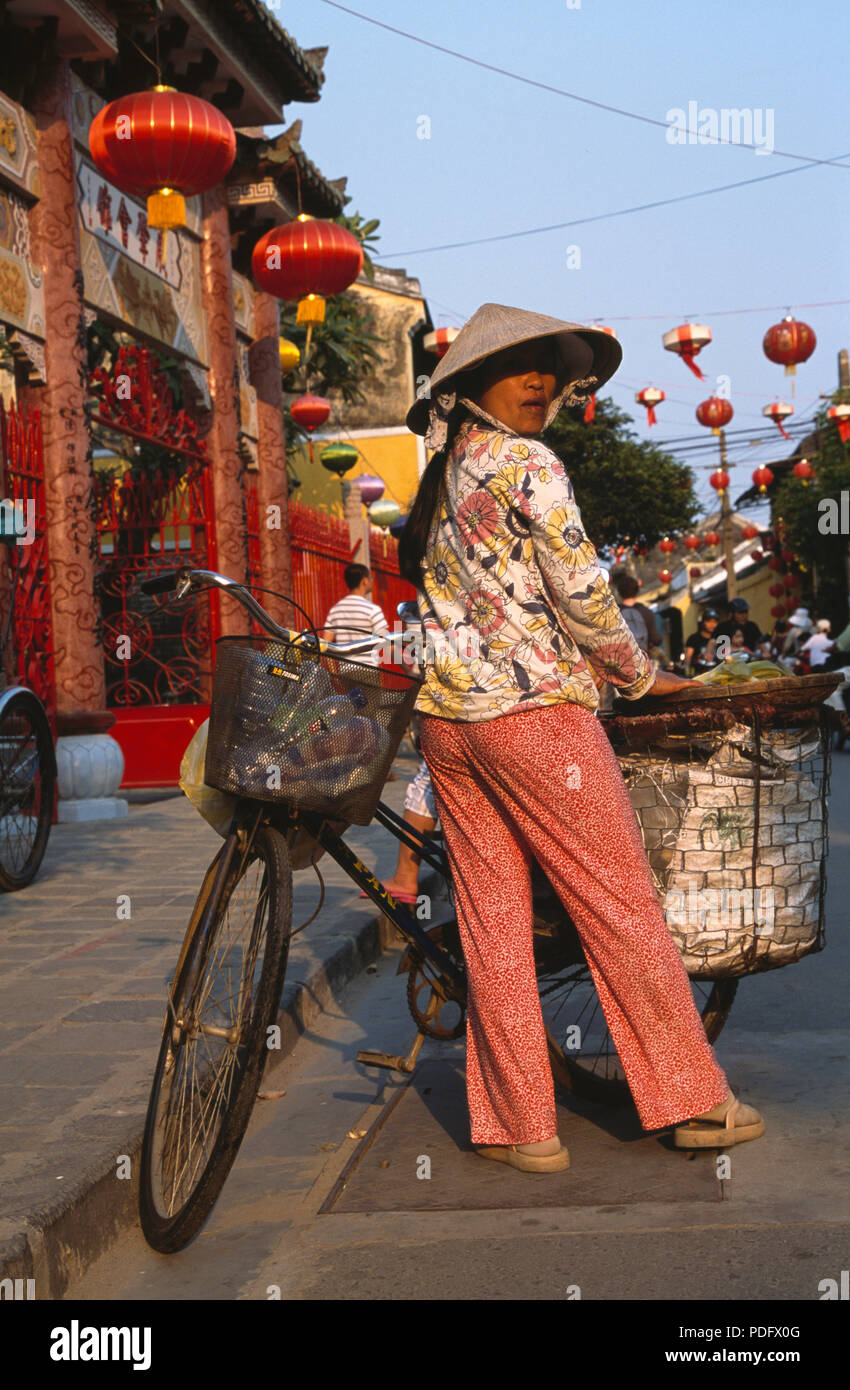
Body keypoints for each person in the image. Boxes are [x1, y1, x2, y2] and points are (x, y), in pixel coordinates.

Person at [399, 302, 763, 1174]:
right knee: (618, 906)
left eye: (551, 371)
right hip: (536, 723)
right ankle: (694, 1102)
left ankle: (524, 1127)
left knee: (493, 928)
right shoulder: (528, 462)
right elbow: (583, 591)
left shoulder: (448, 473)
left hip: (450, 725)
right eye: (523, 366)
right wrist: (639, 677)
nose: (542, 382)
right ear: (473, 382)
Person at [322, 563, 389, 666]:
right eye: (371, 577)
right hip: (368, 671)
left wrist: (334, 674)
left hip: (346, 673)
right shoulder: (372, 610)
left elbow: (326, 645)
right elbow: (388, 643)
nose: (372, 581)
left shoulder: (335, 610)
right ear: (365, 581)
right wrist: (407, 670)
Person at [612, 573, 662, 657]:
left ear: (619, 593)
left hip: (622, 661)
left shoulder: (614, 614)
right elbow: (656, 639)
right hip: (643, 658)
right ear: (637, 591)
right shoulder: (646, 612)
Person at [683, 607, 721, 674]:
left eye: (714, 622)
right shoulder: (693, 638)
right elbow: (688, 659)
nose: (712, 624)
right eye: (708, 621)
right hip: (699, 675)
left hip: (717, 674)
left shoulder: (719, 638)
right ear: (703, 622)